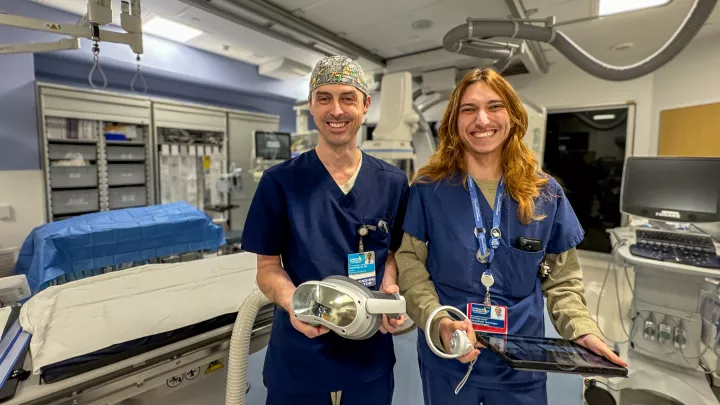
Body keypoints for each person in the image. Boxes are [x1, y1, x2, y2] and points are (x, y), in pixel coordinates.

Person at [395, 67, 627, 405]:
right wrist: (438, 321)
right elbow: (409, 261)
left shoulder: (544, 193)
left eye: (495, 106)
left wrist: (582, 329)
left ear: (514, 117)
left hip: (520, 361)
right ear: (454, 123)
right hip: (450, 353)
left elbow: (562, 281)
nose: (482, 119)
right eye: (468, 109)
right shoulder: (429, 189)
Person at [241, 55, 409, 405]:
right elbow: (267, 269)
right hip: (301, 358)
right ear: (312, 106)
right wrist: (296, 305)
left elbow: (393, 253)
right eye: (324, 98)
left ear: (365, 105)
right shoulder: (280, 182)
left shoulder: (392, 183)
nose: (336, 110)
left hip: (369, 358)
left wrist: (390, 287)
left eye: (348, 97)